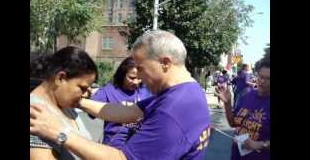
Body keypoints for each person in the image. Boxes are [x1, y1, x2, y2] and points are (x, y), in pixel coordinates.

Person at [30, 30, 211, 159]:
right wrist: (77, 101)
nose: (138, 77)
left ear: (165, 63)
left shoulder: (174, 108)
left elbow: (121, 158)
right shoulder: (186, 92)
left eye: (141, 68)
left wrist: (61, 133)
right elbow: (126, 112)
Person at [30, 46, 98, 159]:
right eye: (82, 88)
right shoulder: (35, 113)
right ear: (60, 78)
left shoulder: (65, 104)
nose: (85, 95)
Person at [90, 56, 152, 147]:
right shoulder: (108, 91)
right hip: (113, 148)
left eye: (139, 78)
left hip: (138, 148)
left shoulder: (146, 91)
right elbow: (91, 111)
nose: (136, 82)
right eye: (132, 78)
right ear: (122, 74)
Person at [215, 59, 270, 160]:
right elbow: (233, 123)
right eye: (261, 77)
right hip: (236, 156)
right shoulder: (247, 96)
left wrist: (262, 145)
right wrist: (227, 104)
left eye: (268, 79)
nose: (262, 81)